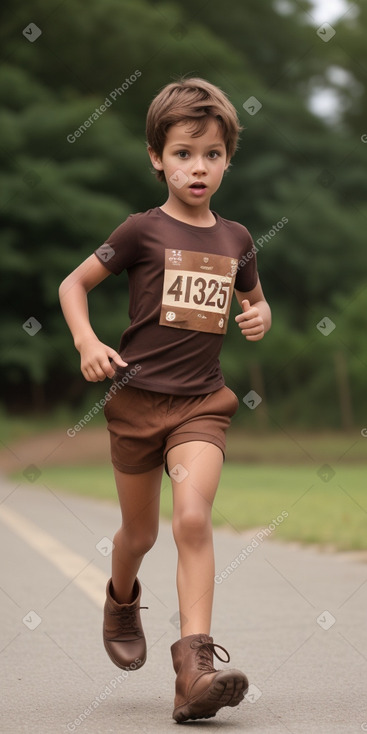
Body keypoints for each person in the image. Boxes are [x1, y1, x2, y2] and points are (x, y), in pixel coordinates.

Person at [59, 76, 271, 723]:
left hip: (200, 405)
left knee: (192, 520)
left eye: (210, 154)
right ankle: (121, 596)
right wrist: (86, 342)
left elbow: (253, 299)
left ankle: (193, 671)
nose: (197, 167)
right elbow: (74, 284)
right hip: (134, 402)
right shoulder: (140, 231)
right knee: (140, 533)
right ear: (157, 157)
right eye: (183, 153)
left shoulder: (235, 239)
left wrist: (259, 316)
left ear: (227, 158)